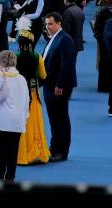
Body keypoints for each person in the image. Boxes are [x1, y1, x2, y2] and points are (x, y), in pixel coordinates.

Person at [0, 49, 29, 180]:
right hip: (18, 121)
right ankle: (10, 178)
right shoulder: (22, 78)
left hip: (2, 121)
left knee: (1, 151)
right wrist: (24, 118)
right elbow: (26, 101)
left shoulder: (0, 76)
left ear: (3, 63)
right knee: (13, 152)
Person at [41, 12, 77, 162]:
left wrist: (60, 85)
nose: (48, 27)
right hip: (50, 85)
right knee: (54, 119)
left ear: (59, 23)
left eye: (50, 24)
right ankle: (54, 147)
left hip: (58, 86)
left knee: (60, 118)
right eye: (46, 24)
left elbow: (67, 65)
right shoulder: (54, 38)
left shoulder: (65, 40)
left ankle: (62, 152)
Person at [14, 19, 50, 165]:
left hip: (17, 96)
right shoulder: (37, 57)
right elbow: (44, 76)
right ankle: (34, 151)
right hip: (33, 95)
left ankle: (21, 154)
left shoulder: (14, 57)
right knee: (34, 123)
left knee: (19, 124)